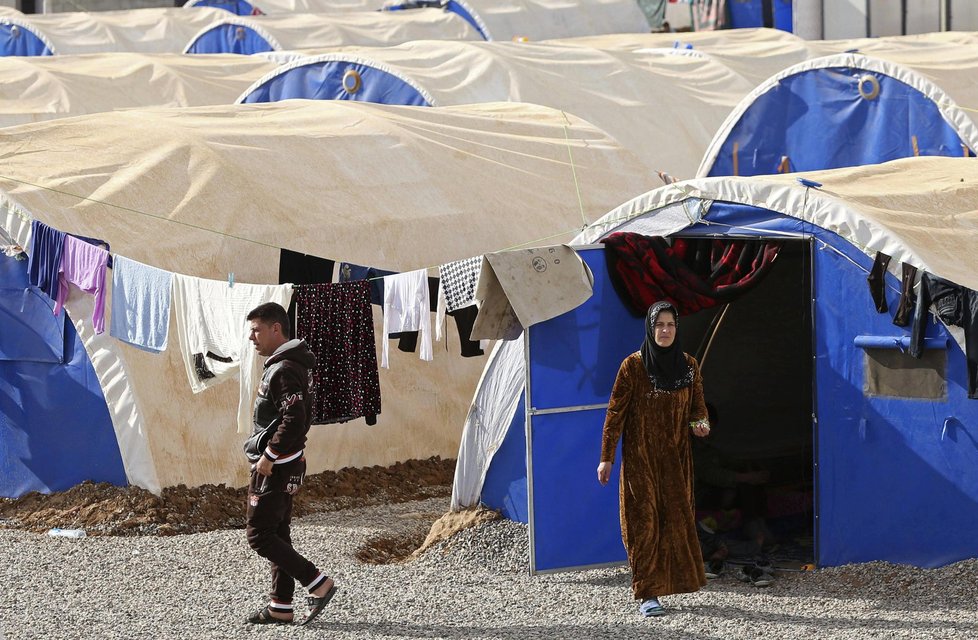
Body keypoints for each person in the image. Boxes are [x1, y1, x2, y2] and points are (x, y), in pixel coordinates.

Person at [597, 301, 710, 617]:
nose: (665, 330)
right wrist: (606, 458)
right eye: (659, 324)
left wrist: (700, 424)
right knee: (643, 525)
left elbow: (697, 408)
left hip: (676, 462)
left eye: (670, 324)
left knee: (673, 523)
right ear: (649, 327)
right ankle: (648, 593)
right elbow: (615, 414)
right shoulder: (633, 367)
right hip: (640, 462)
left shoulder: (688, 366)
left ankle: (670, 584)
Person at [244, 302, 337, 626]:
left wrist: (269, 457)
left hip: (277, 466)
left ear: (276, 329)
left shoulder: (283, 369)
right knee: (278, 533)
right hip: (289, 462)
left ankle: (318, 583)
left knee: (260, 536)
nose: (252, 338)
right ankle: (280, 606)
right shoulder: (290, 365)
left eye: (257, 330)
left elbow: (295, 417)